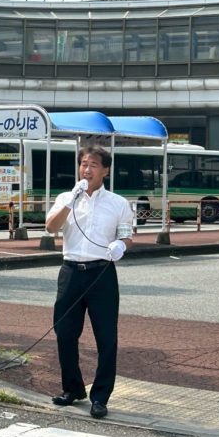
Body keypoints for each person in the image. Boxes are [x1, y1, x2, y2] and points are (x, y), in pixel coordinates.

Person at [45, 145, 133, 419]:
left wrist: (121, 245)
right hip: (71, 271)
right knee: (65, 332)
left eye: (93, 164)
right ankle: (72, 388)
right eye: (83, 164)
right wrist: (70, 202)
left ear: (105, 170)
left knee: (106, 337)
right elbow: (51, 227)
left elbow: (126, 235)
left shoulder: (118, 203)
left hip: (102, 273)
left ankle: (100, 397)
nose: (87, 169)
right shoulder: (66, 197)